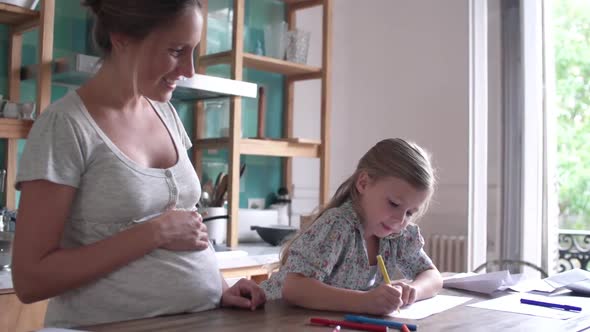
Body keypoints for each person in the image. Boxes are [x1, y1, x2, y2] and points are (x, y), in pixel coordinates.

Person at [11, 0, 265, 328]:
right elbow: (31, 280)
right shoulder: (65, 126)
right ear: (121, 38)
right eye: (176, 50)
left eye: (193, 51)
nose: (189, 70)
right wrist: (154, 233)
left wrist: (221, 286)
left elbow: (185, 232)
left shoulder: (167, 114)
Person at [260, 138, 443, 315]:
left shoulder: (396, 235)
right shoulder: (337, 226)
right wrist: (364, 301)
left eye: (410, 212)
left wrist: (413, 291)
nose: (400, 219)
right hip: (269, 318)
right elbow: (295, 288)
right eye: (394, 204)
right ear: (363, 183)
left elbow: (433, 276)